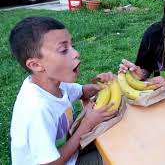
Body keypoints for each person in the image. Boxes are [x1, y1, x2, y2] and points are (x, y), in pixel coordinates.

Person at [9, 16, 117, 165]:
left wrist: (100, 85)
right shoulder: (37, 109)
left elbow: (82, 92)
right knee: (116, 157)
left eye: (72, 45)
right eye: (64, 50)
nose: (76, 53)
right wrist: (87, 125)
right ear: (35, 65)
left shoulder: (55, 83)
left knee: (114, 137)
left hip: (71, 151)